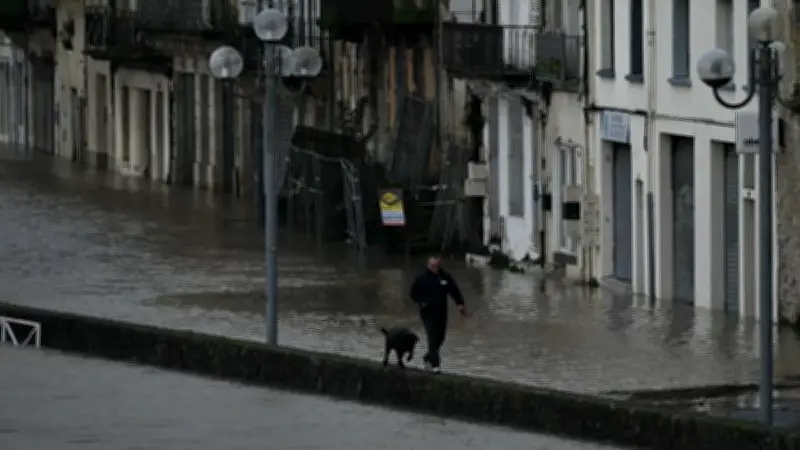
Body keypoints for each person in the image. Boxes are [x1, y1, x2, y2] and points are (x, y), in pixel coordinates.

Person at [409, 255, 467, 373]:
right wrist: (421, 301)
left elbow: (454, 291)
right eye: (433, 266)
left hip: (441, 312)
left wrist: (460, 304)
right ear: (428, 265)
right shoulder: (421, 278)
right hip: (427, 312)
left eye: (437, 266)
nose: (435, 268)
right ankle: (435, 365)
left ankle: (428, 357)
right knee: (432, 338)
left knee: (441, 338)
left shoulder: (445, 277)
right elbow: (412, 293)